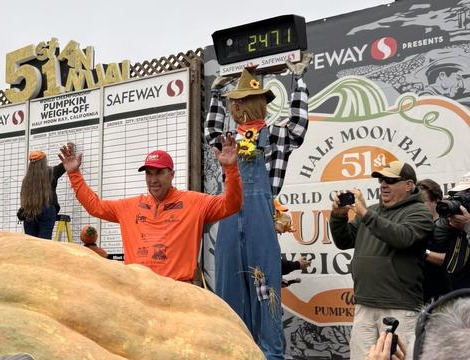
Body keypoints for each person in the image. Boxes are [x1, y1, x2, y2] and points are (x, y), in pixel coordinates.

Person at [205, 53, 311, 358]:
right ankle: (234, 350)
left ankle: (270, 355)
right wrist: (215, 93)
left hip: (261, 219)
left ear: (259, 103)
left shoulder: (277, 134)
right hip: (228, 217)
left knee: (266, 292)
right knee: (228, 287)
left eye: (243, 101)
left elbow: (299, 127)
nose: (237, 107)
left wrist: (299, 79)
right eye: (234, 102)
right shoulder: (228, 139)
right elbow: (211, 131)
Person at [58, 133, 242, 282]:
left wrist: (231, 169)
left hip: (178, 292)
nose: (153, 179)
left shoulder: (195, 203)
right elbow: (94, 207)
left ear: (172, 174)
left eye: (160, 172)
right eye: (148, 173)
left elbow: (231, 205)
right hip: (139, 293)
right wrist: (74, 173)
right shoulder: (129, 207)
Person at [330, 160, 433, 360]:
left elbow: (402, 238)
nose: (383, 184)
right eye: (381, 180)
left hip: (400, 306)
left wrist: (365, 214)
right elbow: (344, 241)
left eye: (391, 180)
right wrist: (338, 216)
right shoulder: (373, 211)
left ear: (409, 185)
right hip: (365, 302)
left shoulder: (420, 213)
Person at [432, 171, 470, 291]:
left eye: (468, 192)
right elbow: (437, 236)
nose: (464, 197)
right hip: (457, 292)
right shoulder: (457, 220)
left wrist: (468, 225)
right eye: (460, 193)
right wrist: (446, 215)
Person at [19, 149, 66, 239]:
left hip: (30, 212)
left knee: (31, 243)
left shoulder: (26, 180)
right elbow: (64, 166)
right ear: (44, 162)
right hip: (47, 211)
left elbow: (23, 200)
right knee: (44, 243)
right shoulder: (51, 172)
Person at [416, 179, 450, 302]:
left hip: (445, 296)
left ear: (437, 200)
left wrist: (423, 253)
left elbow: (452, 261)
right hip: (418, 297)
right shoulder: (413, 227)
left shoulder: (451, 225)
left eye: (422, 202)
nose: (417, 207)